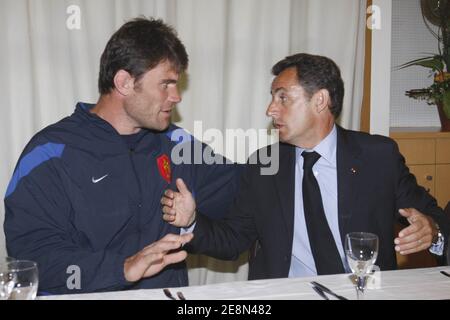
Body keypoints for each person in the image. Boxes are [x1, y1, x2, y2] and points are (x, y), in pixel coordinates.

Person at [4, 17, 240, 294]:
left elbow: (248, 188)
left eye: (177, 84)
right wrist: (123, 268)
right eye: (166, 84)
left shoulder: (176, 143)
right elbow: (34, 261)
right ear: (124, 82)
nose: (176, 96)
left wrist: (298, 140)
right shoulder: (50, 152)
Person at [162, 53, 450, 279]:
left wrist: (433, 232)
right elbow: (233, 240)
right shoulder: (264, 166)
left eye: (282, 97)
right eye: (272, 97)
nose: (270, 109)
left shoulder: (378, 156)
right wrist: (192, 221)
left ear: (320, 101)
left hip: (364, 290)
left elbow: (435, 218)